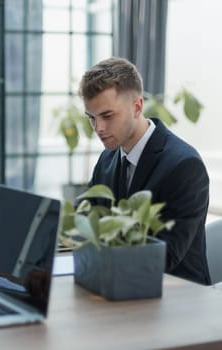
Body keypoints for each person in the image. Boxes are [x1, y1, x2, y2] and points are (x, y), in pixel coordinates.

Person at [79, 57, 211, 285]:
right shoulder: (108, 158)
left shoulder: (184, 167)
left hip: (177, 298)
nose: (98, 128)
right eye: (92, 118)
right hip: (120, 286)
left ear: (137, 107)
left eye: (107, 116)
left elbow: (164, 257)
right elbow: (89, 225)